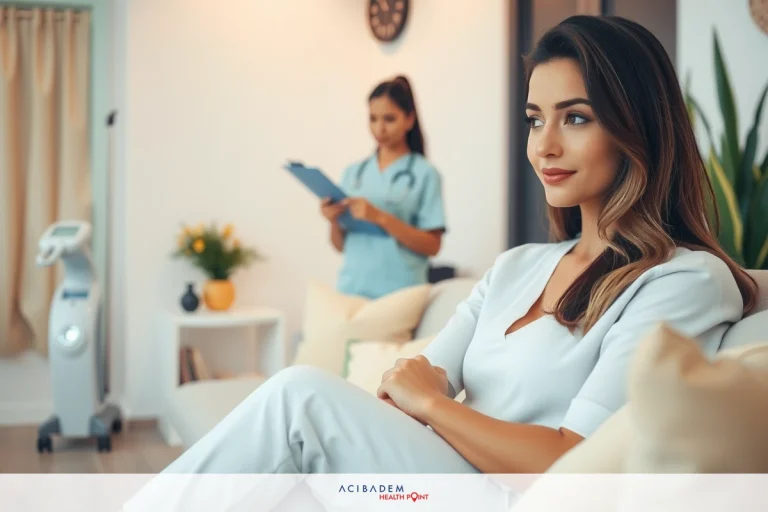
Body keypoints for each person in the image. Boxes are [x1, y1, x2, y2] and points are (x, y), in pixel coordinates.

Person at [161, 16, 758, 475]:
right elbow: (406, 384)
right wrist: (422, 399)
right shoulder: (518, 266)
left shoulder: (683, 281)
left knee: (298, 395)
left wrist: (434, 406)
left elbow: (573, 461)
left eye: (575, 118)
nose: (543, 145)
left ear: (639, 126)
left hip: (506, 493)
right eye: (533, 119)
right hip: (439, 472)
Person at [320, 76, 447, 299]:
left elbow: (433, 246)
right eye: (373, 118)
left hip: (399, 294)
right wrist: (333, 220)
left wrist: (380, 217)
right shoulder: (354, 173)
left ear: (409, 120)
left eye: (389, 119)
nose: (379, 129)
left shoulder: (425, 173)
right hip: (351, 290)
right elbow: (341, 246)